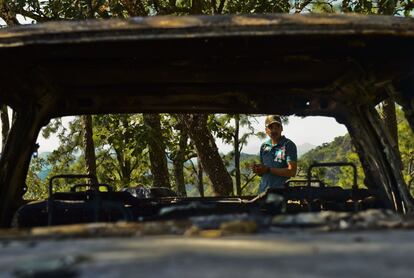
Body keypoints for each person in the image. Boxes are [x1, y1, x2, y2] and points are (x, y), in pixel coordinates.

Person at [252, 115, 297, 193]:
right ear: (266, 130)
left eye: (277, 127)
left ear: (282, 128)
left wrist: (268, 169)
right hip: (262, 193)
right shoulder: (264, 146)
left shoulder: (288, 145)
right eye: (271, 128)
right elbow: (263, 173)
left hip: (280, 194)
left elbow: (292, 171)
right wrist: (258, 170)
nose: (274, 130)